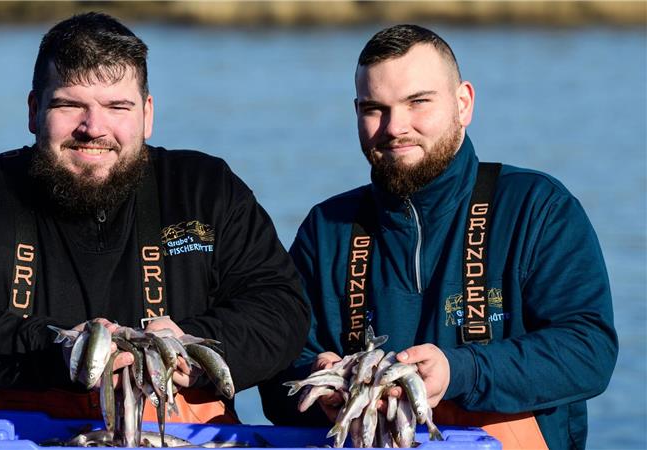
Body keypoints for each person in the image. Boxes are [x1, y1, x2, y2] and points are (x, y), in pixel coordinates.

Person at [0, 12, 309, 450]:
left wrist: (193, 350)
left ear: (147, 114)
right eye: (70, 105)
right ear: (33, 110)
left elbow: (280, 309)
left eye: (117, 107)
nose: (93, 128)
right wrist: (58, 350)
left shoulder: (206, 188)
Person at [259, 24, 617, 450]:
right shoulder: (327, 228)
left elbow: (588, 350)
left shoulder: (537, 207)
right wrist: (318, 388)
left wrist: (460, 371)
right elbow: (277, 373)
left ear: (463, 103)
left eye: (417, 103)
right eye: (374, 108)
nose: (395, 127)